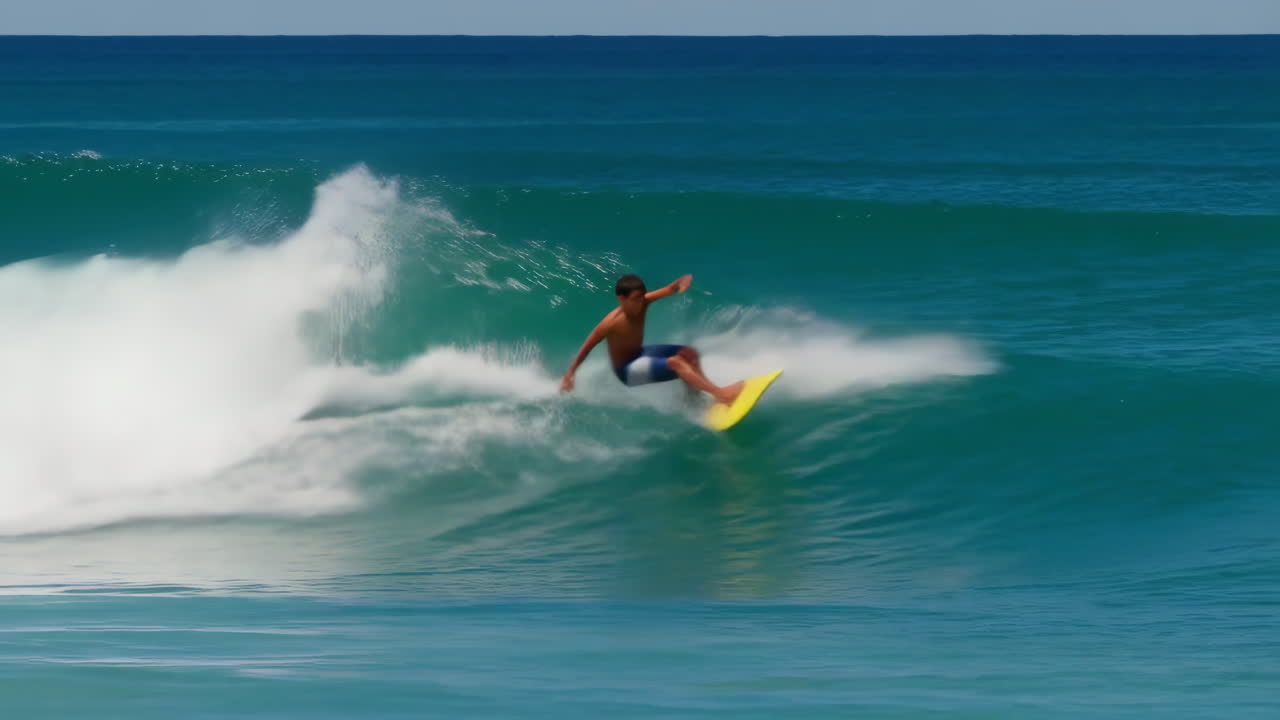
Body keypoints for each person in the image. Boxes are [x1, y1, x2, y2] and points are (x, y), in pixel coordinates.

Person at [559, 273, 743, 404]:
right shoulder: (611, 323)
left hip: (640, 354)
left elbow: (670, 288)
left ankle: (693, 399)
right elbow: (587, 347)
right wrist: (570, 375)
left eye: (641, 298)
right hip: (627, 371)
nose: (640, 303)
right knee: (676, 362)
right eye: (635, 299)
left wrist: (683, 280)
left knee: (689, 353)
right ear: (621, 298)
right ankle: (721, 395)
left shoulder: (644, 301)